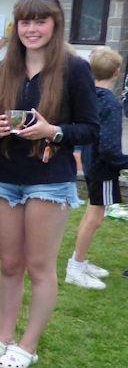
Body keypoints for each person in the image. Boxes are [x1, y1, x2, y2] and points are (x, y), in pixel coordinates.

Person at [0, 0, 98, 368]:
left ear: (54, 24)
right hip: (7, 178)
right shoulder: (4, 68)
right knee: (9, 262)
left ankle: (28, 345)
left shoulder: (74, 68)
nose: (32, 29)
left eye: (40, 21)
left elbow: (90, 129)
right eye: (26, 22)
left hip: (50, 179)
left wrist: (53, 130)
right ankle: (5, 336)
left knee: (39, 265)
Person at [66, 47, 128, 289]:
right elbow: (110, 147)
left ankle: (78, 261)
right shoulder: (111, 103)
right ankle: (76, 266)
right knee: (95, 217)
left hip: (93, 162)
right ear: (117, 72)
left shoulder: (90, 94)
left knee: (92, 213)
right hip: (103, 167)